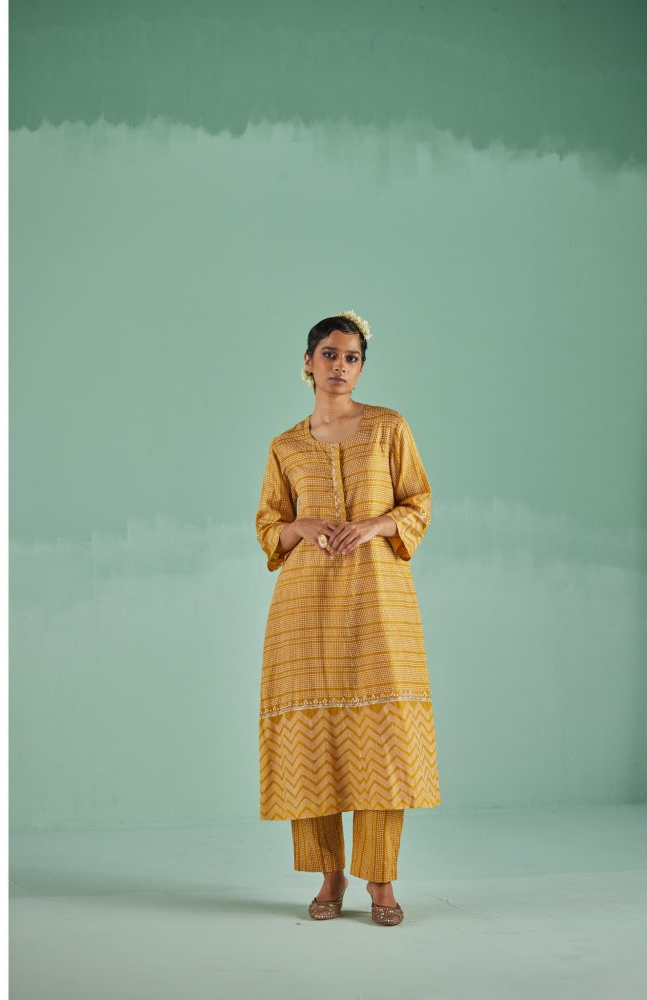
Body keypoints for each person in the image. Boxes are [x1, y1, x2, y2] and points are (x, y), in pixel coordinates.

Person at [255, 311, 440, 926]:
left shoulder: (389, 428)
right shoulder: (285, 446)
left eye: (352, 357)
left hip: (378, 600)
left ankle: (380, 880)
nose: (340, 365)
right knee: (313, 743)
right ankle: (329, 874)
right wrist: (300, 526)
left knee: (383, 742)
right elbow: (268, 527)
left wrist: (374, 525)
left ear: (361, 367)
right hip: (305, 609)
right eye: (330, 354)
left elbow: (418, 501)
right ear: (308, 362)